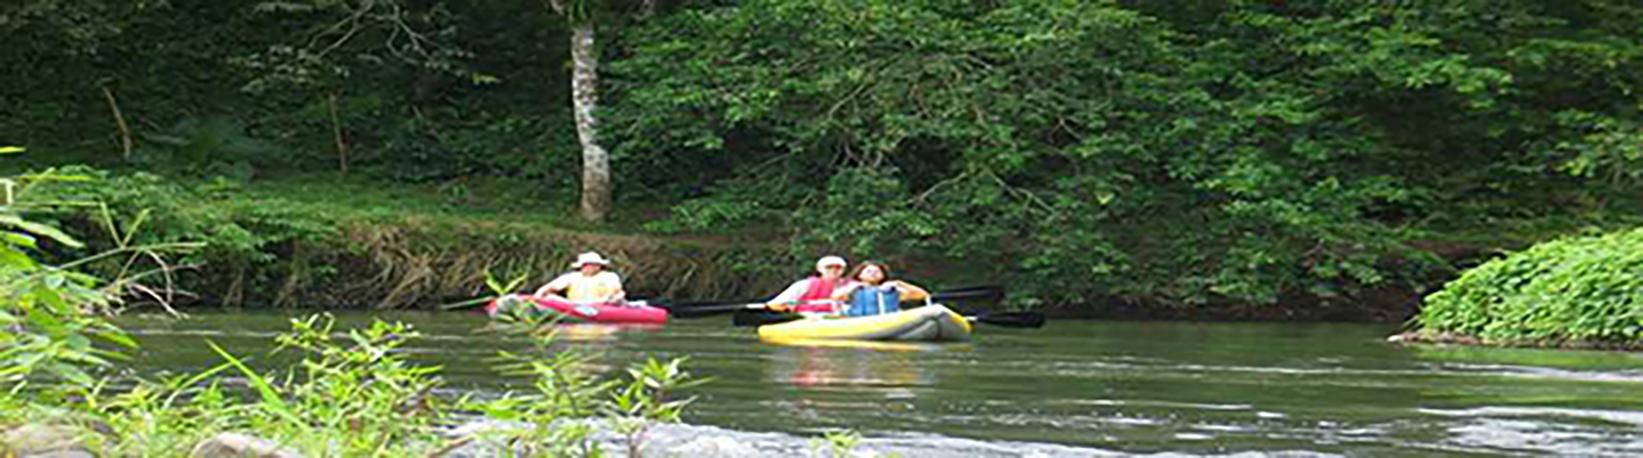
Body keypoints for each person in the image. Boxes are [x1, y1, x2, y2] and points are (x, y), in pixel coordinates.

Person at [831, 261, 929, 317]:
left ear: (883, 275)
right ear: (860, 275)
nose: (873, 273)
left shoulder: (892, 290)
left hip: (889, 321)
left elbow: (923, 295)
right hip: (859, 321)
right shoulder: (853, 289)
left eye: (877, 271)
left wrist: (900, 284)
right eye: (869, 271)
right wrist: (855, 286)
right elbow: (836, 297)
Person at [766, 255, 849, 314]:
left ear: (843, 270)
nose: (833, 270)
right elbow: (775, 304)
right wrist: (787, 305)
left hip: (838, 319)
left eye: (838, 267)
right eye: (829, 267)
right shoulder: (804, 285)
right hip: (808, 319)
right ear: (819, 269)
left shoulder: (849, 287)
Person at [534, 251, 626, 304]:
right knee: (550, 297)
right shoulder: (572, 277)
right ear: (582, 266)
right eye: (587, 265)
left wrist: (613, 299)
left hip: (600, 305)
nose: (591, 267)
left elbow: (618, 292)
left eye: (595, 265)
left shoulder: (609, 276)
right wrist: (538, 295)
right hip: (574, 305)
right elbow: (550, 287)